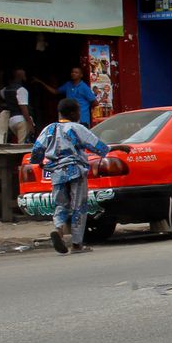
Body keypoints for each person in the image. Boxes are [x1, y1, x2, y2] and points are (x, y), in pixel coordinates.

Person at [29, 98, 111, 254]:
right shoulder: (77, 128)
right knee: (79, 207)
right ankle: (76, 244)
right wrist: (119, 147)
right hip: (76, 171)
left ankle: (59, 229)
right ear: (74, 113)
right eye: (79, 111)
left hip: (56, 173)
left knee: (61, 205)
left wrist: (40, 162)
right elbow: (98, 147)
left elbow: (36, 152)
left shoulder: (49, 129)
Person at [0, 68, 35, 144]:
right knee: (22, 145)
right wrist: (30, 124)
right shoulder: (22, 90)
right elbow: (24, 109)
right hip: (21, 121)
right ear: (21, 77)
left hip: (11, 121)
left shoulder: (4, 90)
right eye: (24, 75)